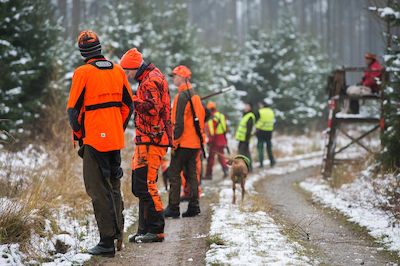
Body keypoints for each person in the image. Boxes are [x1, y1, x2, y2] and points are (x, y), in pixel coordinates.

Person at [67, 30, 134, 257]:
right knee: (114, 186)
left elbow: (73, 111)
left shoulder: (82, 72)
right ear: (100, 48)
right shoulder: (118, 70)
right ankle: (118, 236)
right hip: (115, 139)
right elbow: (128, 106)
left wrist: (80, 135)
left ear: (82, 51)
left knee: (97, 190)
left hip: (94, 141)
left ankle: (106, 242)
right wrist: (116, 127)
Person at [120, 48, 172, 243]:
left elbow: (153, 108)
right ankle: (143, 229)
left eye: (127, 71)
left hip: (153, 139)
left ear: (135, 67)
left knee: (148, 185)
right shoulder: (147, 78)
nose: (126, 75)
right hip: (145, 139)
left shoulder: (151, 80)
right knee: (139, 186)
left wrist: (131, 100)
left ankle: (157, 230)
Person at [164, 65, 206, 218]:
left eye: (174, 76)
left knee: (173, 173)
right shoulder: (194, 95)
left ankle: (173, 208)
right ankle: (194, 206)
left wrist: (174, 142)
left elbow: (179, 123)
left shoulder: (181, 96)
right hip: (194, 143)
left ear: (182, 77)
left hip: (183, 143)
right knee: (192, 175)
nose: (173, 79)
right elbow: (203, 117)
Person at [204, 101, 229, 180]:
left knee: (211, 158)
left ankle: (209, 175)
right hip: (222, 138)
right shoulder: (221, 115)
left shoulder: (212, 117)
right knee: (221, 156)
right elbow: (225, 128)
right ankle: (225, 169)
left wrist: (209, 142)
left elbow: (213, 131)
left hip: (215, 140)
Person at [235, 103, 255, 171]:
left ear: (250, 108)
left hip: (245, 139)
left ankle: (245, 168)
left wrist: (247, 140)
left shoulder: (250, 116)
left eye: (247, 106)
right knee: (246, 154)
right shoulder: (245, 115)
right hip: (242, 138)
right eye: (245, 106)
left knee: (242, 154)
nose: (245, 107)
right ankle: (248, 168)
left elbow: (249, 130)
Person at [255, 101, 276, 168]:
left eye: (260, 105)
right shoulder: (271, 111)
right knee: (269, 147)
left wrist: (257, 127)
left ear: (262, 105)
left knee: (260, 148)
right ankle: (272, 161)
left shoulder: (260, 111)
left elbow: (258, 121)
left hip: (261, 131)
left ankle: (261, 164)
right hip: (269, 131)